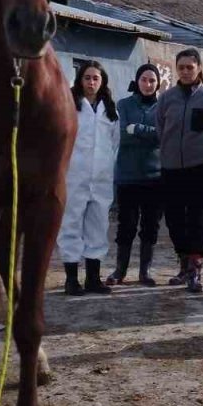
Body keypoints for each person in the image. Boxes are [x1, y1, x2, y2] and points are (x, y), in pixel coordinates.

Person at [157, 48, 203, 292]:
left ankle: (195, 269)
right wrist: (168, 153)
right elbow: (160, 129)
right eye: (181, 67)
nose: (186, 71)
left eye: (190, 67)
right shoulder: (166, 99)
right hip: (171, 168)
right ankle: (183, 264)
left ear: (199, 68)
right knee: (175, 218)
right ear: (176, 69)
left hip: (202, 168)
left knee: (197, 217)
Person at [60, 61, 121, 296]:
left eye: (96, 78)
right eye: (87, 77)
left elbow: (115, 143)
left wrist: (106, 167)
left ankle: (93, 279)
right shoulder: (70, 105)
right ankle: (71, 279)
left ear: (102, 81)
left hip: (101, 178)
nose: (92, 82)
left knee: (98, 226)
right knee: (71, 224)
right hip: (74, 177)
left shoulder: (111, 110)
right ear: (80, 80)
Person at [108, 63, 164, 286]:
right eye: (144, 80)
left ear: (158, 83)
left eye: (152, 80)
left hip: (155, 177)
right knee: (126, 225)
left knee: (150, 226)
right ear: (137, 81)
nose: (148, 84)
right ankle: (119, 271)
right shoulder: (123, 105)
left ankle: (145, 271)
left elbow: (163, 135)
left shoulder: (162, 107)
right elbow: (121, 135)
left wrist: (138, 129)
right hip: (128, 176)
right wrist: (144, 134)